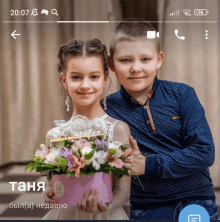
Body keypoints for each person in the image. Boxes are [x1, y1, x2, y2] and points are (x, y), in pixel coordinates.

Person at [101, 18, 218, 220]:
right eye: (125, 60)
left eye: (145, 59)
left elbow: (204, 152)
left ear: (159, 59)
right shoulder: (107, 108)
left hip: (195, 200)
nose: (136, 68)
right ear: (111, 63)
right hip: (147, 207)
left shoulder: (182, 94)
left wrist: (148, 165)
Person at [42, 39, 131, 220]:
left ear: (105, 78)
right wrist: (48, 194)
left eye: (94, 77)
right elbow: (52, 184)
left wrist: (106, 206)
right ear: (64, 79)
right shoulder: (54, 135)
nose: (85, 85)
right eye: (76, 77)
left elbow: (124, 188)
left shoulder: (118, 129)